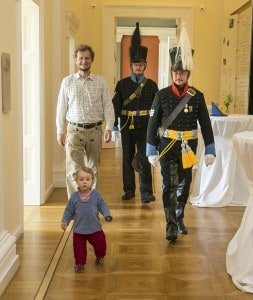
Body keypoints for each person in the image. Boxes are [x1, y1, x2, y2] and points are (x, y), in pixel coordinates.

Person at [146, 25, 216, 241]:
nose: (179, 75)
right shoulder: (162, 94)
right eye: (176, 72)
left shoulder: (197, 96)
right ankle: (170, 225)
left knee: (184, 186)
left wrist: (210, 149)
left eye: (182, 72)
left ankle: (179, 214)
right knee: (169, 184)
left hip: (189, 149)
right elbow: (152, 123)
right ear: (172, 73)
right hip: (167, 147)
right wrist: (150, 148)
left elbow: (205, 123)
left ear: (188, 73)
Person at [56, 44, 115, 199]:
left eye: (87, 58)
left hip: (95, 131)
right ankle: (75, 205)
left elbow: (108, 105)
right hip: (74, 131)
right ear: (76, 60)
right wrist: (60, 131)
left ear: (91, 60)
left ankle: (90, 205)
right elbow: (61, 107)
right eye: (80, 58)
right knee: (73, 170)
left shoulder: (100, 82)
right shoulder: (67, 82)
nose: (84, 61)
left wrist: (109, 127)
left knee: (92, 170)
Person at [112, 22, 158, 203]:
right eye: (135, 64)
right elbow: (115, 105)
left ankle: (146, 192)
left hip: (146, 125)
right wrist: (114, 126)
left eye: (141, 64)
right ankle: (129, 190)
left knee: (145, 157)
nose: (138, 67)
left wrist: (158, 126)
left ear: (145, 65)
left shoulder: (152, 85)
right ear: (131, 65)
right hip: (126, 124)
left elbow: (157, 108)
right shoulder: (122, 84)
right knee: (127, 157)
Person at [61, 167, 113, 273]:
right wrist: (65, 221)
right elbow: (68, 211)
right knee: (78, 249)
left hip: (95, 228)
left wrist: (107, 214)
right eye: (81, 179)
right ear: (76, 181)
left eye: (87, 179)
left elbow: (102, 205)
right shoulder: (74, 197)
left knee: (101, 244)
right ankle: (79, 264)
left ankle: (100, 256)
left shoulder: (96, 195)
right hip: (79, 230)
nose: (84, 182)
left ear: (92, 181)